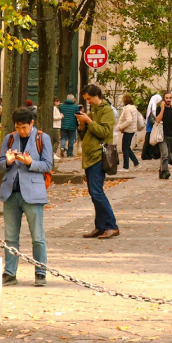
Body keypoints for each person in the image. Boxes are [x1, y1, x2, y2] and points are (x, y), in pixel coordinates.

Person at [0, 108, 53, 286]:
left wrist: (30, 163)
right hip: (11, 192)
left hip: (33, 193)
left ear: (32, 124)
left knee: (37, 236)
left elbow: (48, 165)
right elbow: (0, 164)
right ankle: (10, 272)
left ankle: (40, 271)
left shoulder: (42, 138)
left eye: (24, 127)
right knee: (11, 236)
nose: (21, 131)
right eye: (18, 127)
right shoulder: (10, 138)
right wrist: (8, 161)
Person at [75, 84, 120, 239]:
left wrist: (88, 120)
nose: (88, 102)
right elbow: (86, 135)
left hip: (98, 156)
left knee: (97, 192)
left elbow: (104, 133)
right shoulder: (93, 111)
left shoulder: (106, 110)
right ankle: (100, 226)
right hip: (90, 156)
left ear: (96, 96)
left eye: (89, 98)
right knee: (94, 193)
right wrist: (82, 125)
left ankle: (111, 225)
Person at [115, 94, 143, 170]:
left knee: (125, 148)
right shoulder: (133, 108)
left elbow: (129, 120)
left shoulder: (127, 109)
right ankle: (136, 163)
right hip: (132, 130)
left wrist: (120, 127)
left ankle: (126, 166)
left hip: (128, 130)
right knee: (127, 148)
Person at [155, 93, 172, 179]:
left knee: (166, 155)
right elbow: (157, 120)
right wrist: (162, 109)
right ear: (164, 99)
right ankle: (165, 171)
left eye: (170, 98)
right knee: (164, 153)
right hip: (161, 135)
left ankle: (161, 171)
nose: (168, 99)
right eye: (166, 98)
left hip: (170, 135)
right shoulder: (159, 109)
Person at [57, 94, 80, 158]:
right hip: (72, 125)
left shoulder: (61, 106)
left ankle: (62, 147)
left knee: (63, 137)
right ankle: (69, 153)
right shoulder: (75, 107)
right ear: (73, 99)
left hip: (63, 125)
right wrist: (77, 125)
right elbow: (77, 117)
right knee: (71, 140)